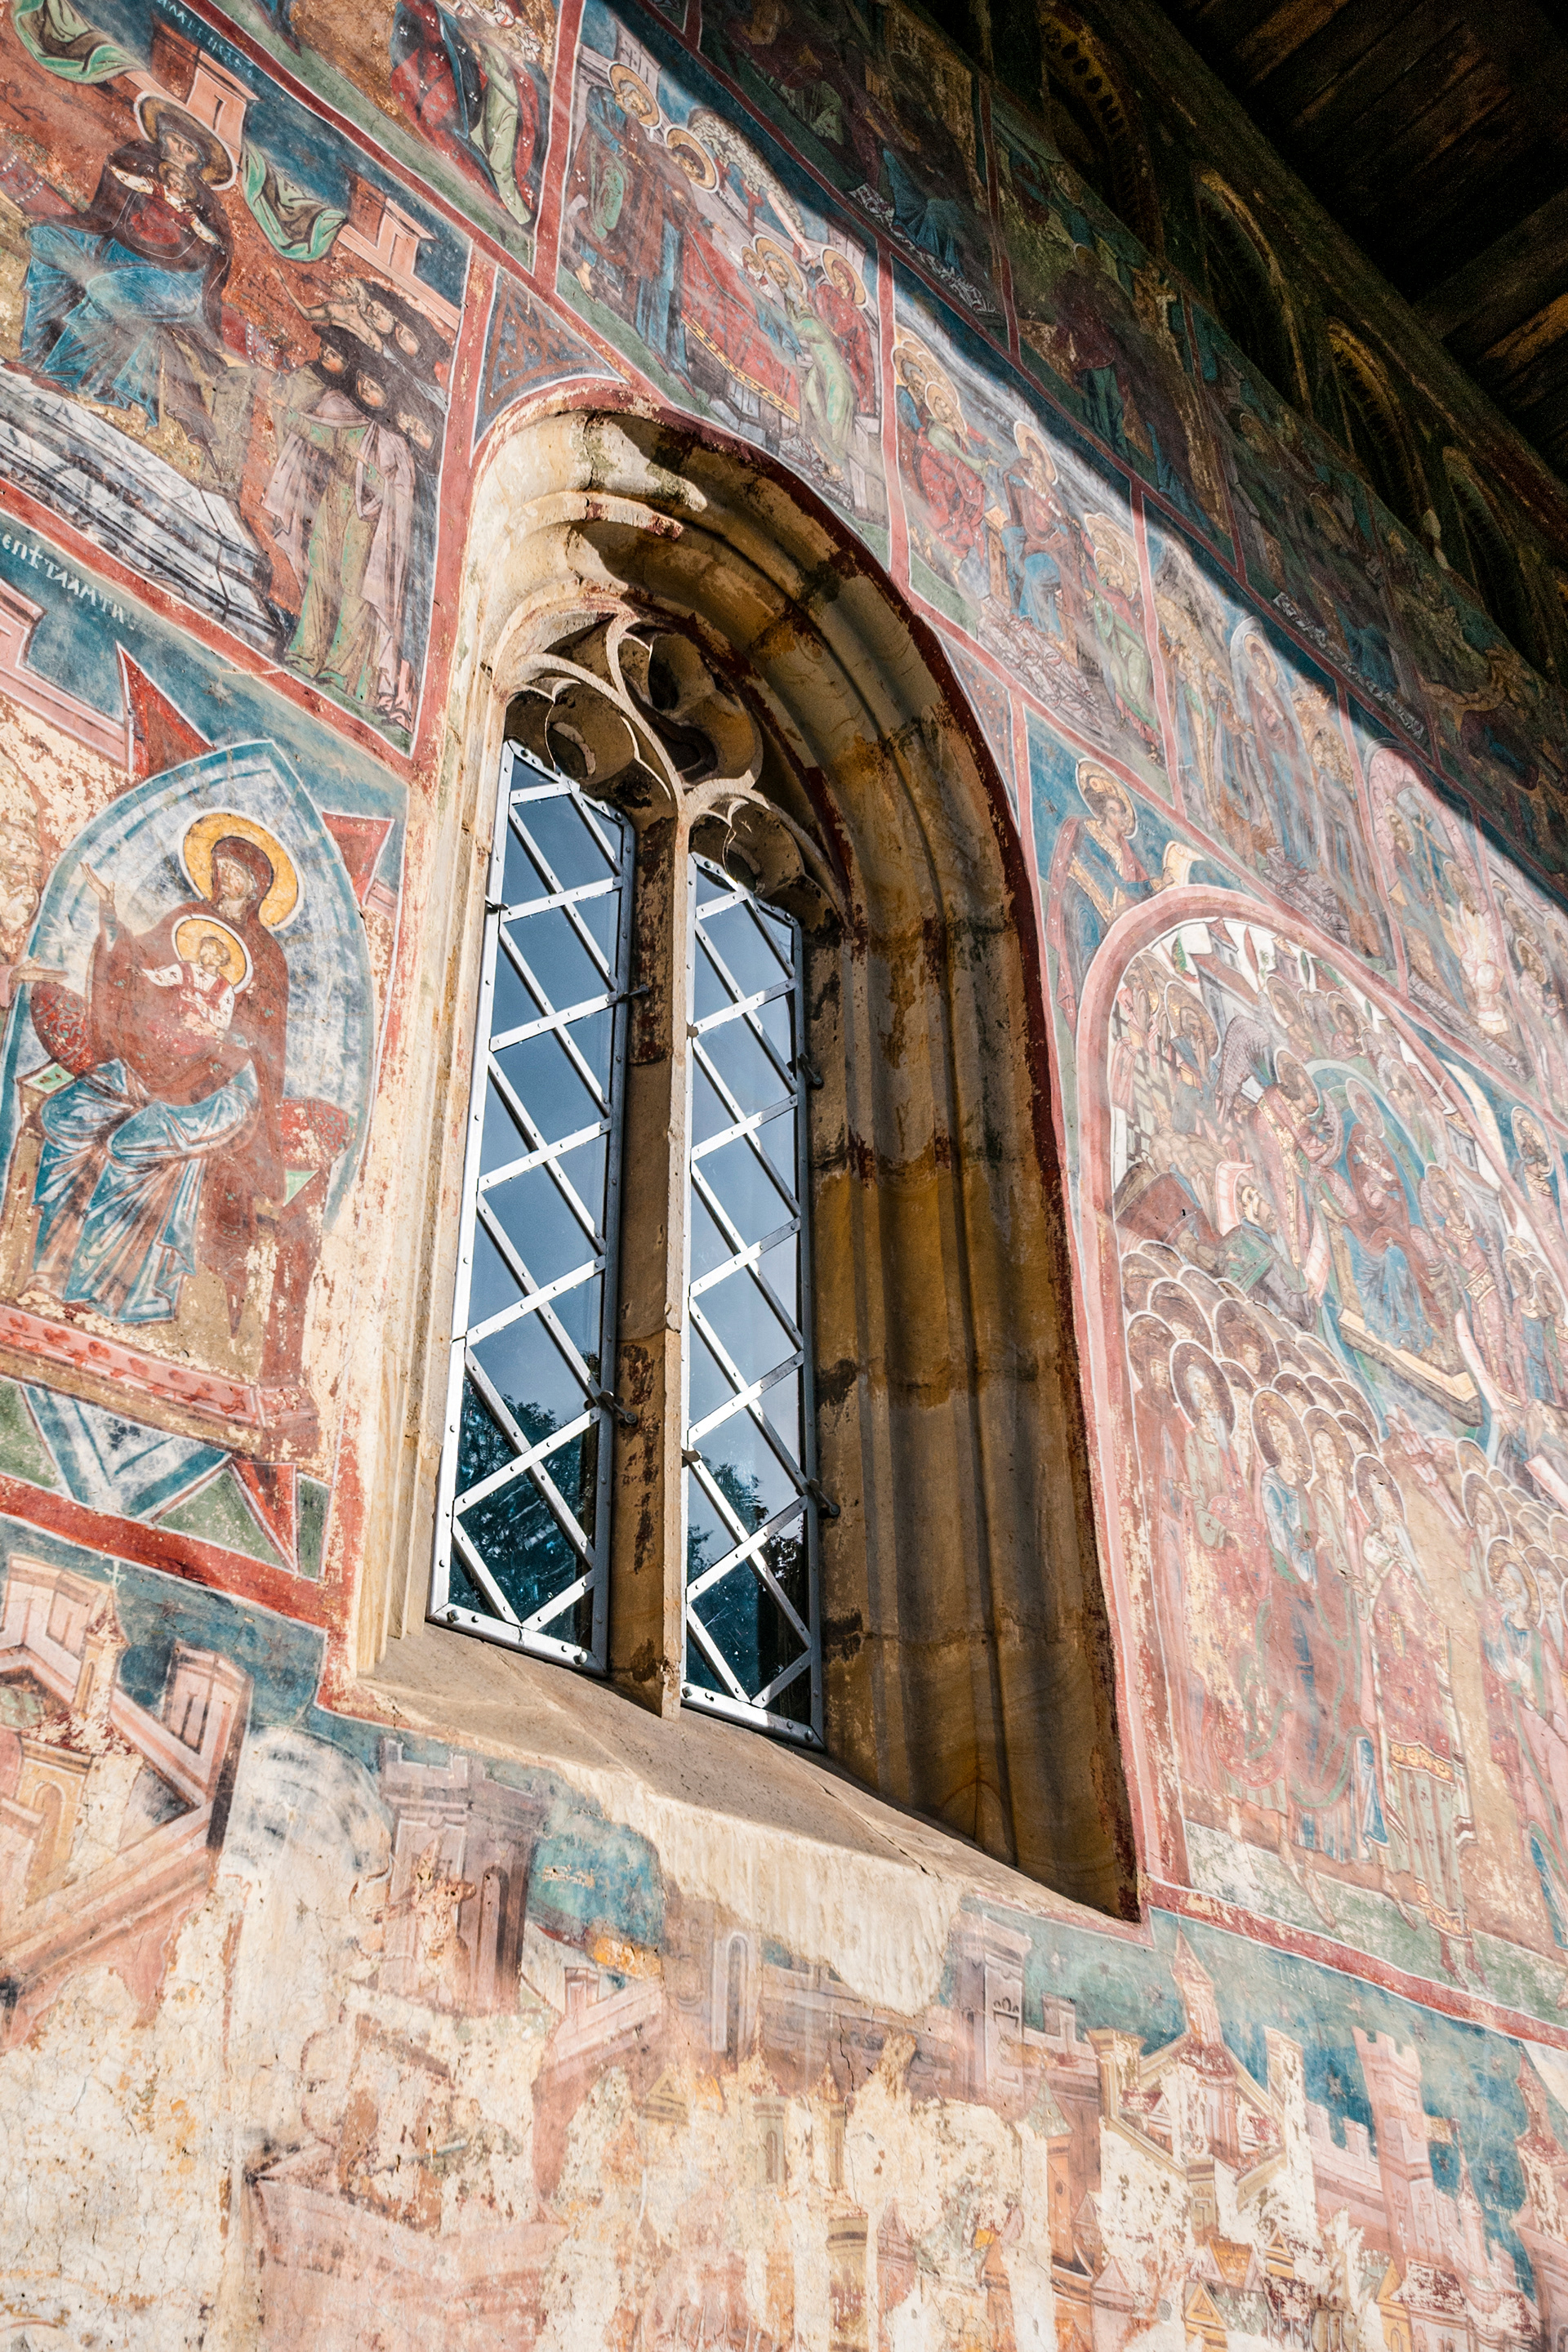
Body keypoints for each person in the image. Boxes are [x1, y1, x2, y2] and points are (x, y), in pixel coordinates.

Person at [19, 834, 287, 1333]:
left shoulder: (265, 960)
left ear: (255, 889)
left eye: (236, 873)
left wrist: (215, 1039)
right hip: (152, 1066)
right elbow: (139, 965)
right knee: (67, 1118)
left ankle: (97, 1296)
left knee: (130, 1150)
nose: (224, 877)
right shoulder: (186, 917)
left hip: (213, 1089)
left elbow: (261, 1041)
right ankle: (47, 1274)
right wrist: (110, 916)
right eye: (220, 866)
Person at [20, 101, 235, 448]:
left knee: (108, 289)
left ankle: (64, 375)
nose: (179, 154)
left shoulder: (207, 205)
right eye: (175, 142)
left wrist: (189, 215)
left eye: (189, 150)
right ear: (162, 139)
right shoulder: (138, 160)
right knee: (46, 239)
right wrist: (146, 187)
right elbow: (107, 204)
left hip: (173, 281)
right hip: (114, 247)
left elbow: (215, 253)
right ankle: (34, 353)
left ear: (199, 162)